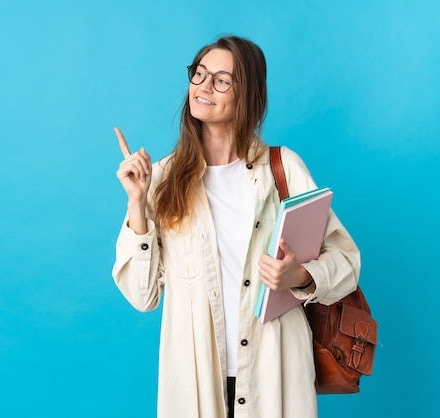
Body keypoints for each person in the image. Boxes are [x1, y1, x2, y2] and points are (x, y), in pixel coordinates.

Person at [112, 35, 360, 418]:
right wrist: (136, 202)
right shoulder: (161, 178)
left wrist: (300, 276)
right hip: (195, 379)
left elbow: (346, 260)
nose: (204, 87)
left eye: (222, 79)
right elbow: (142, 296)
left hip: (274, 371)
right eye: (199, 74)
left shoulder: (283, 168)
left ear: (248, 94)